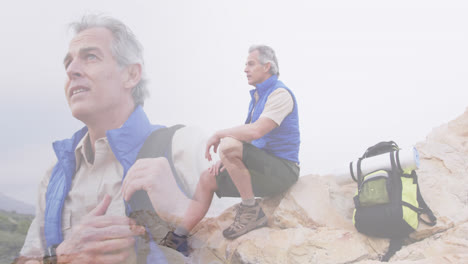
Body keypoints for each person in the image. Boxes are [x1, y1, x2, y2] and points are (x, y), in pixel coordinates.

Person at [17, 14, 197, 264]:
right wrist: (60, 257)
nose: (71, 70)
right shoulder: (54, 175)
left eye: (90, 56)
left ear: (131, 75)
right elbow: (26, 259)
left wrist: (181, 210)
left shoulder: (184, 148)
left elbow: (253, 252)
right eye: (68, 63)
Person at [162, 45, 300, 255]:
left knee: (227, 144)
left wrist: (220, 136)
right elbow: (250, 141)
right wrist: (227, 159)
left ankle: (250, 211)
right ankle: (178, 237)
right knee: (208, 178)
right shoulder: (256, 98)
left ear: (267, 66)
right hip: (263, 167)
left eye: (251, 64)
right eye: (246, 64)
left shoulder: (280, 94)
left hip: (283, 170)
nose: (245, 69)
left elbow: (256, 131)